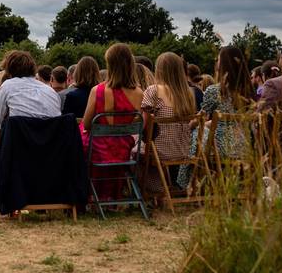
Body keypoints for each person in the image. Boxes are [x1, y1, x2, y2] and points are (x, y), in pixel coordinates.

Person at [0, 50, 62, 216]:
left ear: (9, 69)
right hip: (49, 154)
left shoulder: (8, 86)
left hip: (20, 153)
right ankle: (40, 201)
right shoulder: (49, 91)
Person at [178, 46, 254, 189]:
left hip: (221, 148)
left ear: (223, 63)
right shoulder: (249, 90)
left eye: (218, 59)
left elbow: (201, 117)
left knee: (196, 133)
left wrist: (188, 125)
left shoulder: (214, 91)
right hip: (244, 145)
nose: (216, 61)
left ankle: (186, 183)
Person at [80, 43, 144, 203]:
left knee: (77, 139)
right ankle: (112, 194)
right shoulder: (139, 93)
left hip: (97, 149)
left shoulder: (98, 90)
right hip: (123, 149)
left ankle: (85, 193)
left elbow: (87, 124)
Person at [141, 52, 197, 193]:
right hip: (184, 150)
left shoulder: (153, 91)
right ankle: (164, 184)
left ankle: (156, 187)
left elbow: (144, 125)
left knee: (133, 152)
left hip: (160, 151)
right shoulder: (188, 93)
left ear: (159, 70)